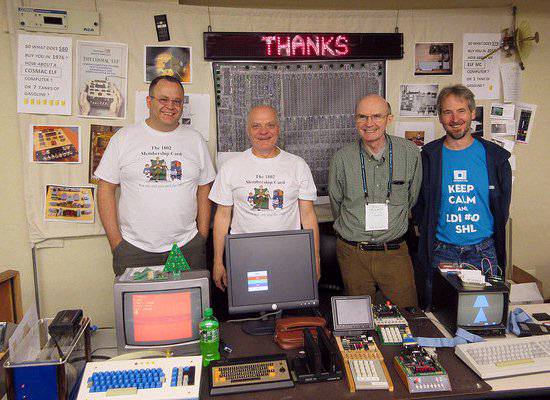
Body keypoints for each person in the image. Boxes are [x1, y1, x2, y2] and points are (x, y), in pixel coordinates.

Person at [95, 75, 215, 275]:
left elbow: (204, 189)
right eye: (164, 99)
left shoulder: (195, 140)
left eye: (177, 101)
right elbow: (105, 190)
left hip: (186, 248)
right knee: (141, 306)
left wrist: (201, 236)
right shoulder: (123, 138)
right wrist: (116, 243)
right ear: (149, 102)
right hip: (134, 248)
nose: (171, 106)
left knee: (187, 305)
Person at [413, 84, 512, 309]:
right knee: (440, 316)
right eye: (447, 112)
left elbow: (502, 209)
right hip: (442, 253)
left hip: (483, 252)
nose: (454, 118)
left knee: (484, 317)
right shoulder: (429, 156)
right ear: (439, 117)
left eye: (461, 111)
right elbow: (419, 205)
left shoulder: (495, 157)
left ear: (472, 114)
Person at [209, 105, 320, 291]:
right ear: (248, 130)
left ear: (278, 128)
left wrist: (315, 258)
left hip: (288, 255)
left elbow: (308, 215)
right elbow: (222, 216)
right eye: (256, 126)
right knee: (253, 303)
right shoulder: (231, 167)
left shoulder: (297, 165)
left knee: (286, 301)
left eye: (270, 125)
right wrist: (218, 261)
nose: (263, 132)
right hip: (246, 255)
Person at [328, 94, 421, 307]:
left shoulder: (409, 152)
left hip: (395, 253)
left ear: (389, 119)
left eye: (376, 116)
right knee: (359, 323)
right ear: (355, 120)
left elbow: (412, 198)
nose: (369, 123)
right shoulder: (341, 158)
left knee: (409, 317)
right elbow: (337, 204)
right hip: (353, 254)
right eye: (362, 117)